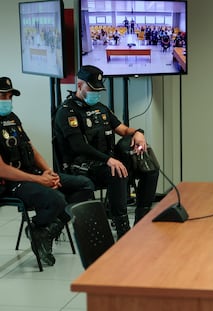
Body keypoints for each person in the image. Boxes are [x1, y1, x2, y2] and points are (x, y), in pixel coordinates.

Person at [53, 65, 159, 239]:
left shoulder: (101, 109)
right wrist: (109, 160)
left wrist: (138, 133)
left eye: (99, 90)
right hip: (81, 166)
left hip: (104, 162)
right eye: (92, 89)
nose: (97, 93)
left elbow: (123, 130)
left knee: (149, 166)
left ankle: (142, 220)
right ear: (80, 86)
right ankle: (122, 227)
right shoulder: (67, 112)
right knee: (117, 172)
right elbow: (79, 146)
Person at [0, 77, 95, 266]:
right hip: (10, 182)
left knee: (85, 185)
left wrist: (48, 172)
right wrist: (38, 179)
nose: (7, 100)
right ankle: (41, 229)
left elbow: (30, 148)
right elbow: (2, 169)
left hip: (31, 174)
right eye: (3, 95)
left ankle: (42, 230)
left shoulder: (12, 118)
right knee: (57, 199)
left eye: (10, 96)